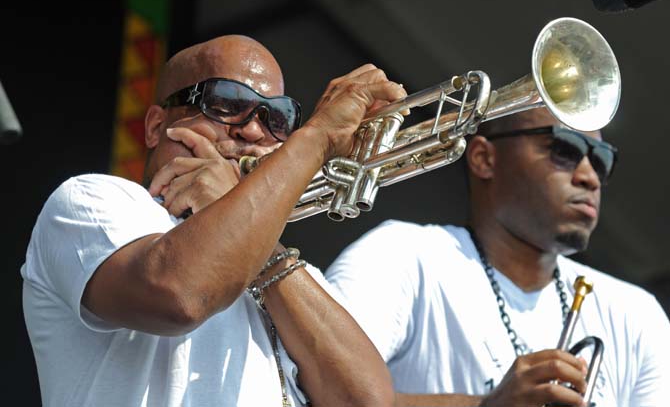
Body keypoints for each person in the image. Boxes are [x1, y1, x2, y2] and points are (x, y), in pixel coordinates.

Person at [21, 34, 406, 407]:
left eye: (276, 117)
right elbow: (180, 295)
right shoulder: (93, 201)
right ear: (156, 126)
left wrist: (263, 246)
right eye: (226, 101)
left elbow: (367, 400)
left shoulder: (290, 272)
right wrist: (318, 137)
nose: (253, 130)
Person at [326, 107, 670, 407]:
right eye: (564, 149)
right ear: (483, 159)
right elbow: (316, 390)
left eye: (601, 159)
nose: (588, 176)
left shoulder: (636, 314)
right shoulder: (400, 256)